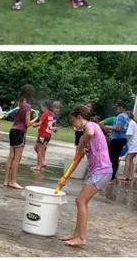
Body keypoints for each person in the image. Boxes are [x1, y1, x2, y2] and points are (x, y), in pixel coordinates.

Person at [59, 105, 113, 247]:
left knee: (80, 200)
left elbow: (89, 133)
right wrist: (64, 178)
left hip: (102, 170)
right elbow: (76, 160)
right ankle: (76, 234)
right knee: (81, 201)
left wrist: (82, 145)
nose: (73, 125)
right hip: (97, 171)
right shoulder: (83, 136)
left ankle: (81, 238)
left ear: (79, 117)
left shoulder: (91, 125)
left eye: (73, 122)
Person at [4, 84, 39, 189]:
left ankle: (6, 180)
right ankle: (13, 181)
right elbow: (27, 124)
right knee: (17, 158)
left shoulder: (17, 103)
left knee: (11, 156)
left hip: (13, 130)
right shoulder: (27, 106)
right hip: (20, 132)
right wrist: (36, 118)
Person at [101, 103, 129, 183]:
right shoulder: (126, 116)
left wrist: (107, 127)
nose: (115, 110)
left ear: (121, 108)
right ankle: (111, 176)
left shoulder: (121, 116)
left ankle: (111, 177)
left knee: (112, 158)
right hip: (122, 138)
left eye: (116, 108)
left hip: (117, 138)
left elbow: (118, 128)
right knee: (115, 158)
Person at [33, 101, 55, 171]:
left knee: (39, 150)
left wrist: (34, 124)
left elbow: (40, 123)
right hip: (48, 135)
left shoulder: (45, 114)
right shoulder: (51, 114)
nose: (41, 109)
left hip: (43, 134)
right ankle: (42, 161)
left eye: (42, 107)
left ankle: (38, 166)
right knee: (36, 147)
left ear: (45, 107)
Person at [123, 112, 137, 181]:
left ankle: (125, 175)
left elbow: (129, 134)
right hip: (135, 144)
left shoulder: (131, 123)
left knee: (127, 159)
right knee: (131, 160)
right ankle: (131, 175)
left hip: (132, 144)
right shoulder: (134, 123)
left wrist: (124, 143)